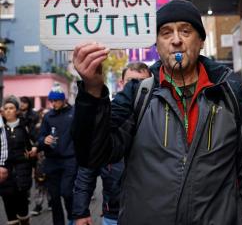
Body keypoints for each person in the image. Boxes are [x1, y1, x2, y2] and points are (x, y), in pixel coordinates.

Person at [72, 0, 242, 224]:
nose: (176, 40)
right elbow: (93, 154)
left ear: (201, 41)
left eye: (185, 30)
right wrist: (92, 91)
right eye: (166, 33)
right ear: (157, 45)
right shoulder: (137, 95)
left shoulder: (230, 95)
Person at [72, 61, 151, 225]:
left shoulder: (160, 116)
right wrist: (81, 212)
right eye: (131, 82)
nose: (136, 87)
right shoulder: (107, 114)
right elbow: (87, 167)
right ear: (122, 83)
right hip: (113, 213)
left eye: (143, 83)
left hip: (151, 211)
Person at [38, 85, 77, 225]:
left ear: (63, 100)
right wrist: (44, 140)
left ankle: (73, 218)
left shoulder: (74, 113)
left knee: (67, 192)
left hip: (70, 160)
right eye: (51, 101)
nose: (53, 104)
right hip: (52, 161)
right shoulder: (48, 116)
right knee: (54, 198)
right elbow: (40, 138)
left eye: (56, 101)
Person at [0, 96, 37, 225]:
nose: (9, 111)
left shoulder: (24, 127)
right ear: (2, 111)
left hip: (22, 173)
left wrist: (33, 162)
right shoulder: (0, 128)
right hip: (4, 174)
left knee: (22, 209)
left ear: (16, 110)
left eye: (11, 108)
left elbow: (32, 146)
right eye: (6, 108)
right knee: (9, 209)